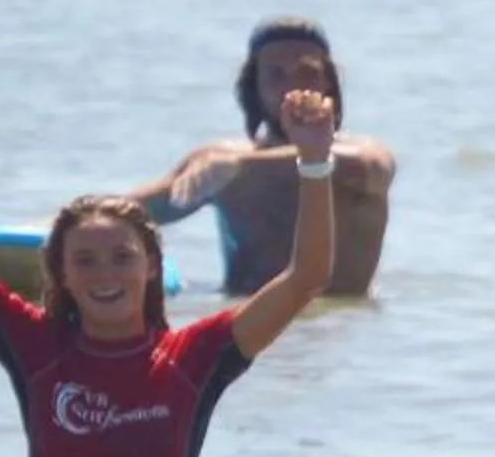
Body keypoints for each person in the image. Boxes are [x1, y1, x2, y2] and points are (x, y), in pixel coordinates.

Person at [0, 59, 339, 457]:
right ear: (62, 277)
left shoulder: (195, 359)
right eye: (85, 262)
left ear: (152, 267)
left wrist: (314, 162)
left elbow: (306, 278)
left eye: (121, 257)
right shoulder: (35, 347)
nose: (104, 275)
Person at [121, 18, 397, 296]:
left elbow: (364, 167)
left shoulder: (363, 153)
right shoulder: (217, 161)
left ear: (328, 81)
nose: (293, 87)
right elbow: (126, 216)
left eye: (307, 72)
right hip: (243, 321)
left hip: (337, 327)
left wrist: (243, 167)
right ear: (254, 86)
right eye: (276, 74)